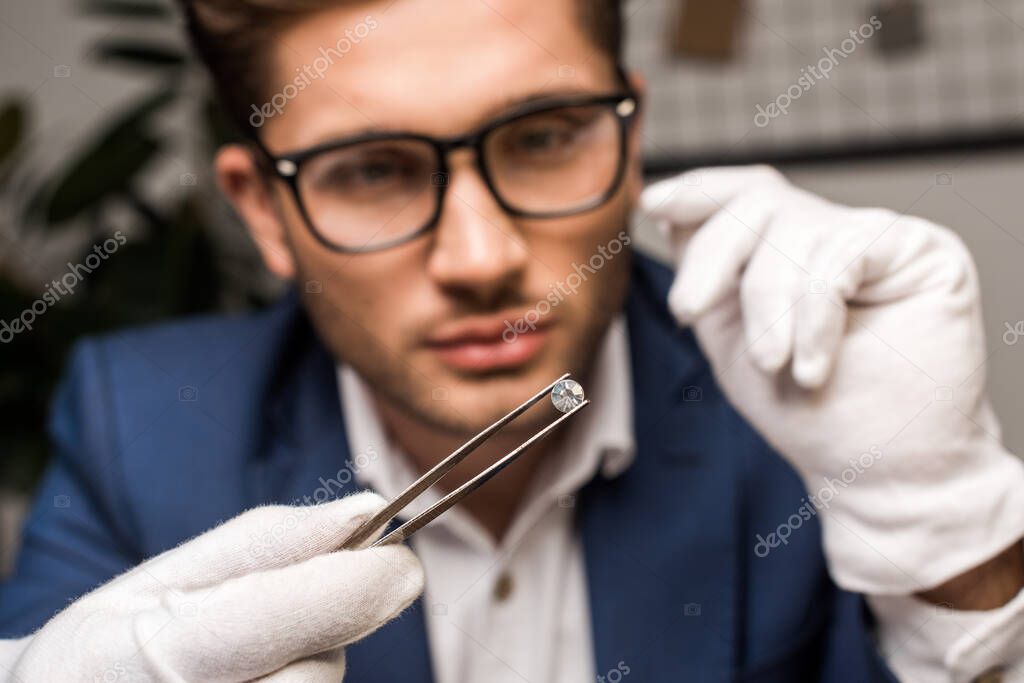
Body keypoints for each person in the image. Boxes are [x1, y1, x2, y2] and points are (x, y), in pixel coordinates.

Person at [2, 1, 1024, 681]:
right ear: (263, 213)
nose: (480, 254)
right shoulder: (139, 427)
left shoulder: (799, 404)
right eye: (372, 168)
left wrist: (948, 532)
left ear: (627, 140)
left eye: (540, 138)